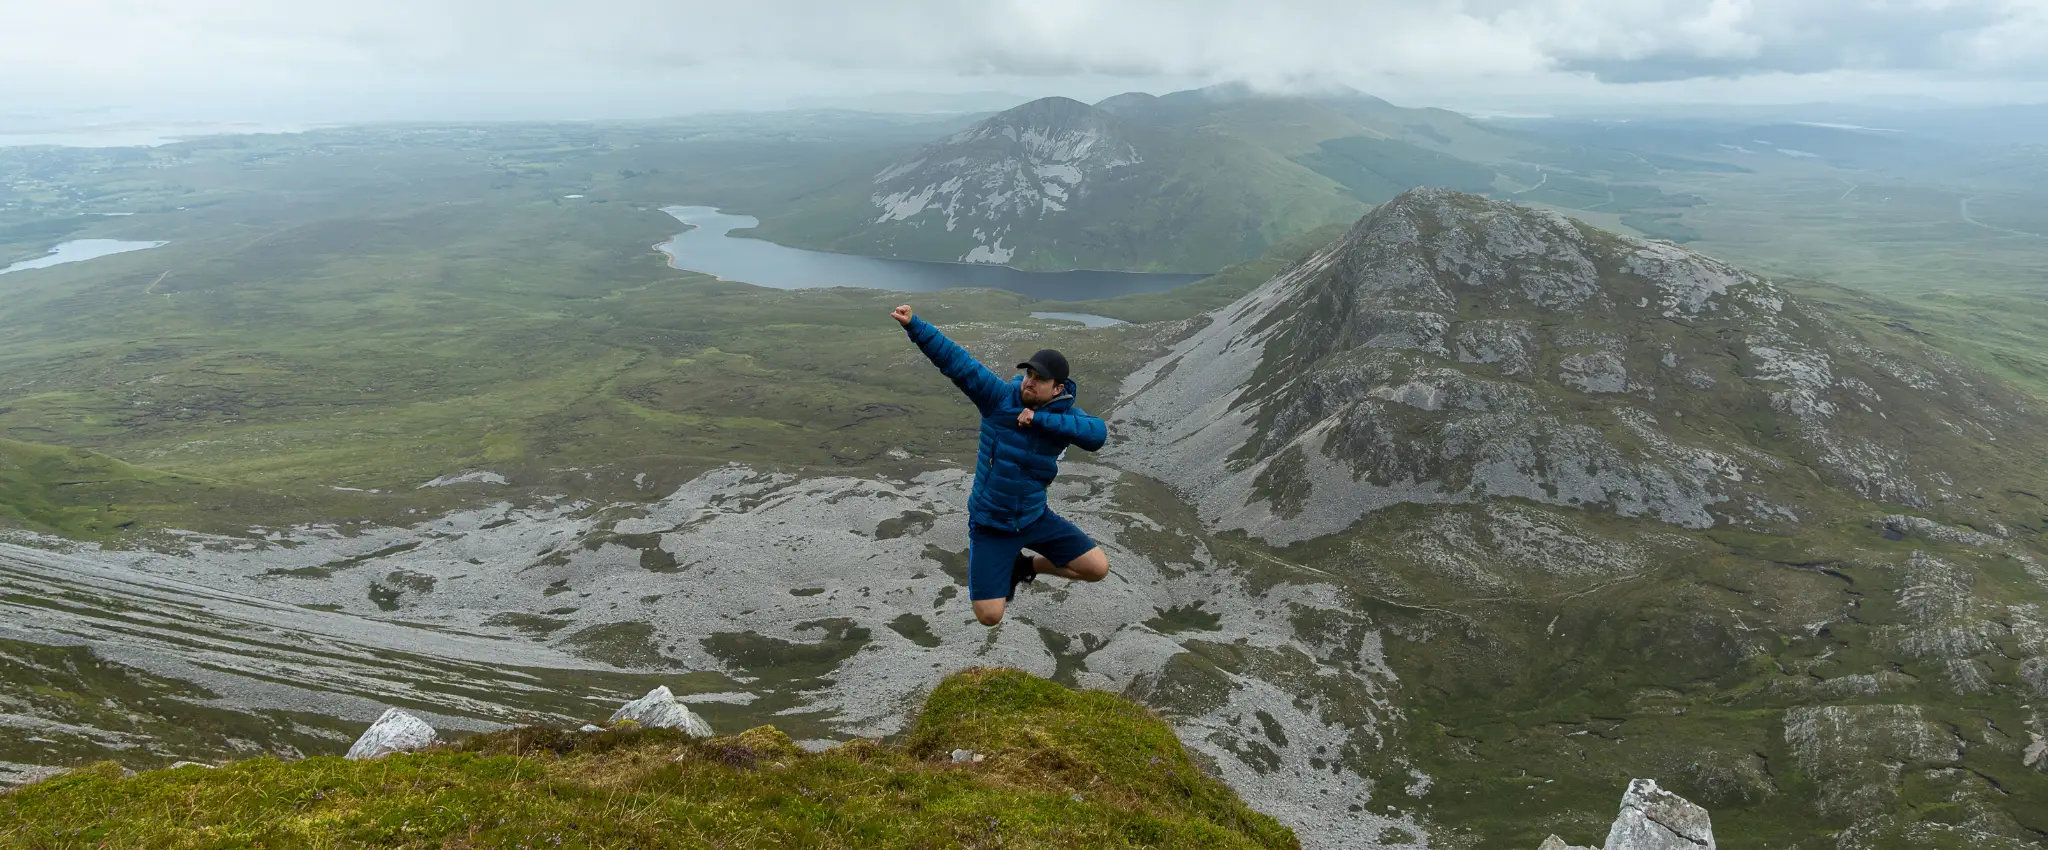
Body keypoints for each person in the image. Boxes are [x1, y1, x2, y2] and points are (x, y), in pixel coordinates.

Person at [892, 304, 1110, 626]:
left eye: (1040, 379)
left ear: (1059, 389)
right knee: (989, 615)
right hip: (991, 524)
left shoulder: (1064, 418)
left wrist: (1041, 420)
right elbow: (958, 363)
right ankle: (1007, 566)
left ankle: (1025, 567)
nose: (1029, 383)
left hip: (1034, 518)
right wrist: (915, 326)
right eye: (1029, 375)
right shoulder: (998, 399)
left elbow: (1097, 434)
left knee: (1097, 568)